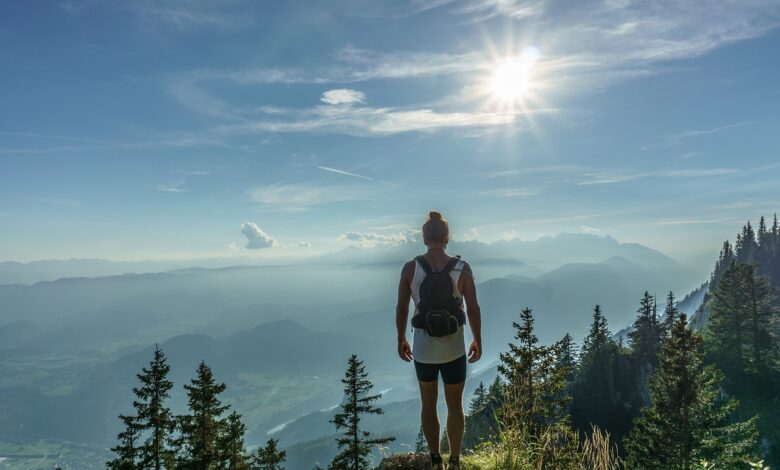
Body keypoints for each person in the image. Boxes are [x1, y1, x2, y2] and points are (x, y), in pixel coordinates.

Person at [396, 210, 482, 470]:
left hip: (423, 350)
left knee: (428, 404)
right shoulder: (461, 268)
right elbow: (474, 308)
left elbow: (401, 308)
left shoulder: (411, 268)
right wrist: (477, 339)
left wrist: (401, 338)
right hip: (454, 349)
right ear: (447, 239)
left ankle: (435, 460)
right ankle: (455, 460)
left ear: (424, 238)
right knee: (455, 406)